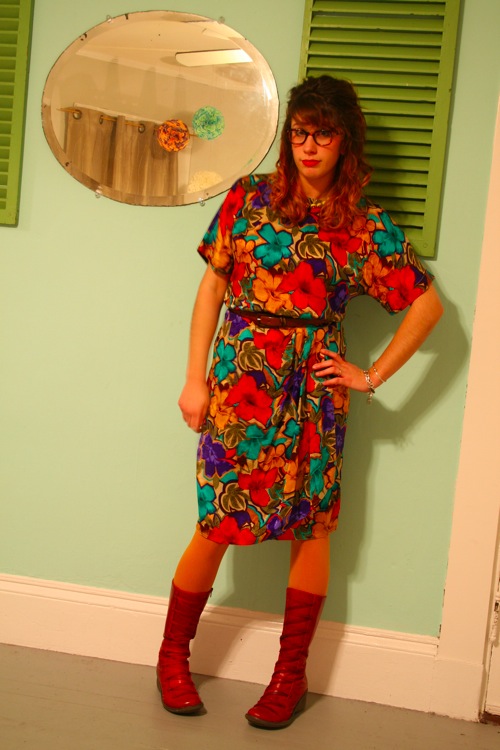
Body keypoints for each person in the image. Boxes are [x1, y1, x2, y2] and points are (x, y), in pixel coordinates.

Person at [156, 75, 443, 730]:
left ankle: (290, 676)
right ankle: (172, 657)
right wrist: (194, 379)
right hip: (241, 383)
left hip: (314, 392)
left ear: (346, 141)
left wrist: (370, 375)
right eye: (300, 132)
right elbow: (212, 289)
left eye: (324, 134)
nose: (309, 146)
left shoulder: (363, 226)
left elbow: (427, 307)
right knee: (217, 519)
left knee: (311, 527)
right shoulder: (249, 199)